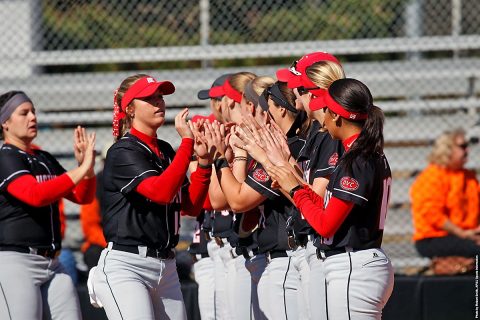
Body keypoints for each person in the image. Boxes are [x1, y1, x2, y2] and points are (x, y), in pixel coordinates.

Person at [240, 78, 395, 319]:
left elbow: (325, 224)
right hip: (359, 263)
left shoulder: (357, 158)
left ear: (337, 116)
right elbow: (325, 207)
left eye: (326, 109)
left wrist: (295, 190)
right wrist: (286, 179)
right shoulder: (365, 151)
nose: (320, 113)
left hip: (353, 265)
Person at [89, 74, 215, 320]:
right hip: (127, 265)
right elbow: (161, 192)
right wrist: (187, 141)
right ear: (130, 109)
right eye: (149, 98)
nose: (159, 102)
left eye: (160, 96)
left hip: (165, 266)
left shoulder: (166, 150)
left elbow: (190, 206)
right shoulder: (122, 151)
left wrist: (203, 164)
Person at [0, 90, 96, 320]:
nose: (32, 117)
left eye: (33, 111)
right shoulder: (5, 157)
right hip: (16, 261)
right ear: (5, 122)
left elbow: (83, 197)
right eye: (24, 113)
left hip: (52, 262)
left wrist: (87, 169)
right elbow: (35, 195)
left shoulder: (43, 157)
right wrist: (80, 170)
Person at [410, 128, 480, 258]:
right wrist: (462, 234)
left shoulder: (469, 176)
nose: (467, 151)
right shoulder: (431, 177)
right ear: (447, 149)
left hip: (466, 235)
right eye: (463, 146)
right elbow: (433, 215)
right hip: (433, 237)